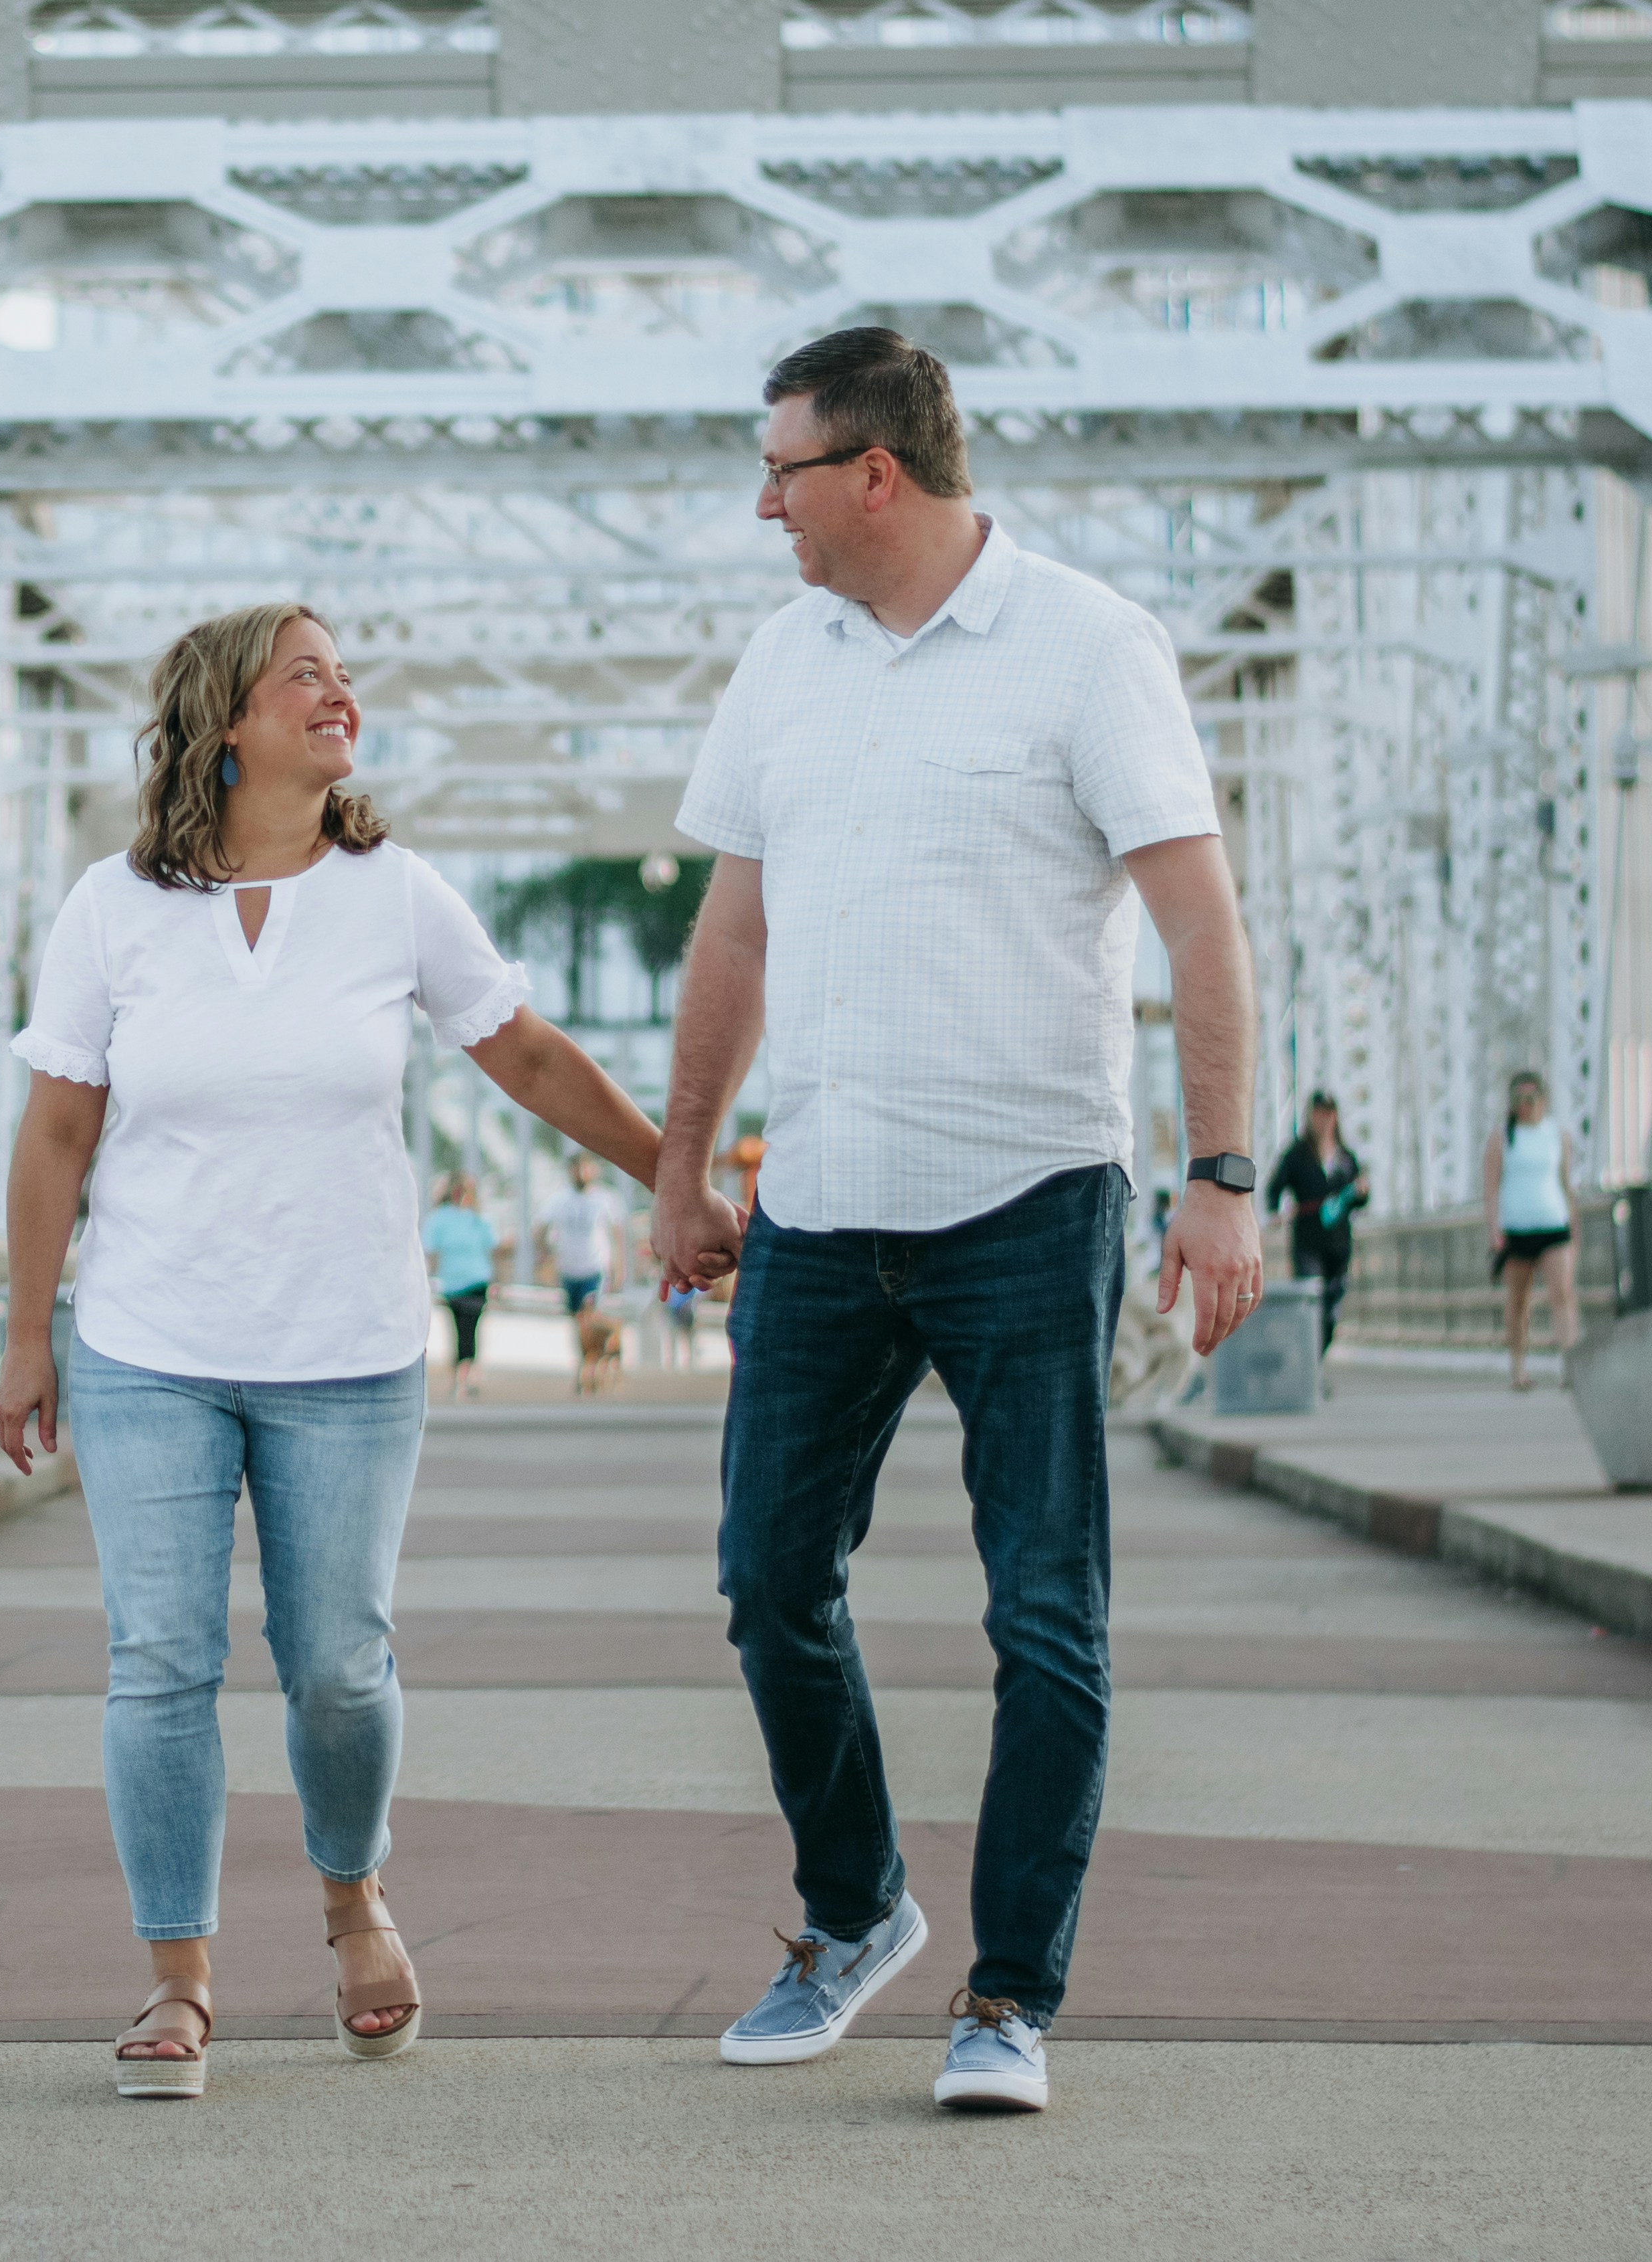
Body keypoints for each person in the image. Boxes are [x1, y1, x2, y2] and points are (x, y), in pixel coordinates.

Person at [651, 326, 1261, 2118]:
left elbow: (1201, 927)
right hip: (823, 1208)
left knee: (1045, 1614)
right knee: (771, 1579)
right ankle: (855, 1916)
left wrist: (1222, 1180)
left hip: (1031, 1195)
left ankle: (1007, 1995)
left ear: (874, 474)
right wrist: (683, 1168)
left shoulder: (1087, 643)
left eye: (782, 467)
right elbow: (733, 937)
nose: (762, 500)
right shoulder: (784, 656)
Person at [0, 601, 663, 2102]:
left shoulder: (394, 893)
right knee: (158, 1661)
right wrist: (25, 1333)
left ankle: (352, 1896)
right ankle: (178, 1981)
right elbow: (55, 1131)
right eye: (307, 675)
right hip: (148, 1341)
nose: (338, 695)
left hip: (345, 1346)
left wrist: (669, 1174)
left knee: (337, 1669)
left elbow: (529, 1056)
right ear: (227, 719)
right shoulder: (110, 906)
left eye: (345, 677)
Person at [1484, 1070, 1580, 1394]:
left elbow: (1566, 1185)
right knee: (1519, 1300)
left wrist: (1575, 1227)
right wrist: (1494, 1230)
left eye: (1530, 1099)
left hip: (1554, 1223)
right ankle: (1518, 1369)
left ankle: (1570, 1365)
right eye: (1518, 1100)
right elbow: (1491, 1188)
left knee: (1562, 1294)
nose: (1524, 1106)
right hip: (1517, 1229)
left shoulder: (1557, 1135)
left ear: (1543, 1100)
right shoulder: (1502, 1137)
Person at [1267, 1092, 1368, 1365]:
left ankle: (1314, 1364)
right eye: (1319, 1113)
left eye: (1328, 1113)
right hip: (1307, 1241)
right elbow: (1275, 1187)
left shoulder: (1346, 1158)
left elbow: (1360, 1201)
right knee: (1311, 1301)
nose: (1324, 1120)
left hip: (1338, 1244)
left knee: (1331, 1309)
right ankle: (1307, 1368)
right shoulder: (1297, 1154)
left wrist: (1360, 1193)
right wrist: (1275, 1211)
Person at [422, 1173, 498, 1395]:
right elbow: (431, 1252)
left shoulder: (478, 1219)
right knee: (458, 1329)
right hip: (453, 1283)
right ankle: (461, 1372)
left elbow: (492, 1250)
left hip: (477, 1280)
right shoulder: (440, 1218)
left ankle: (467, 1372)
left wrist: (496, 1281)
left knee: (471, 1329)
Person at [536, 1155, 629, 1322]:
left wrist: (619, 1268)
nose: (580, 1173)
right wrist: (547, 1254)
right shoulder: (559, 1199)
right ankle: (582, 1348)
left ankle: (592, 1347)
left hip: (594, 1269)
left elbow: (617, 1236)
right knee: (575, 1317)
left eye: (585, 1168)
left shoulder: (605, 1199)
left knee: (590, 1315)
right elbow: (540, 1229)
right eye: (576, 1169)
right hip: (568, 1270)